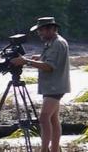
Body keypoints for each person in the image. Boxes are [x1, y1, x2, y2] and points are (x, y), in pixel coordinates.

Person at [11, 17, 70, 152]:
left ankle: (45, 149)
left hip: (55, 86)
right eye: (39, 31)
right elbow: (50, 58)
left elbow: (49, 66)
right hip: (53, 85)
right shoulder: (52, 42)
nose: (39, 33)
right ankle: (54, 149)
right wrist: (39, 58)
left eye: (41, 30)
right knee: (53, 119)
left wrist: (26, 61)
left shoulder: (57, 43)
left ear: (51, 29)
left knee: (44, 118)